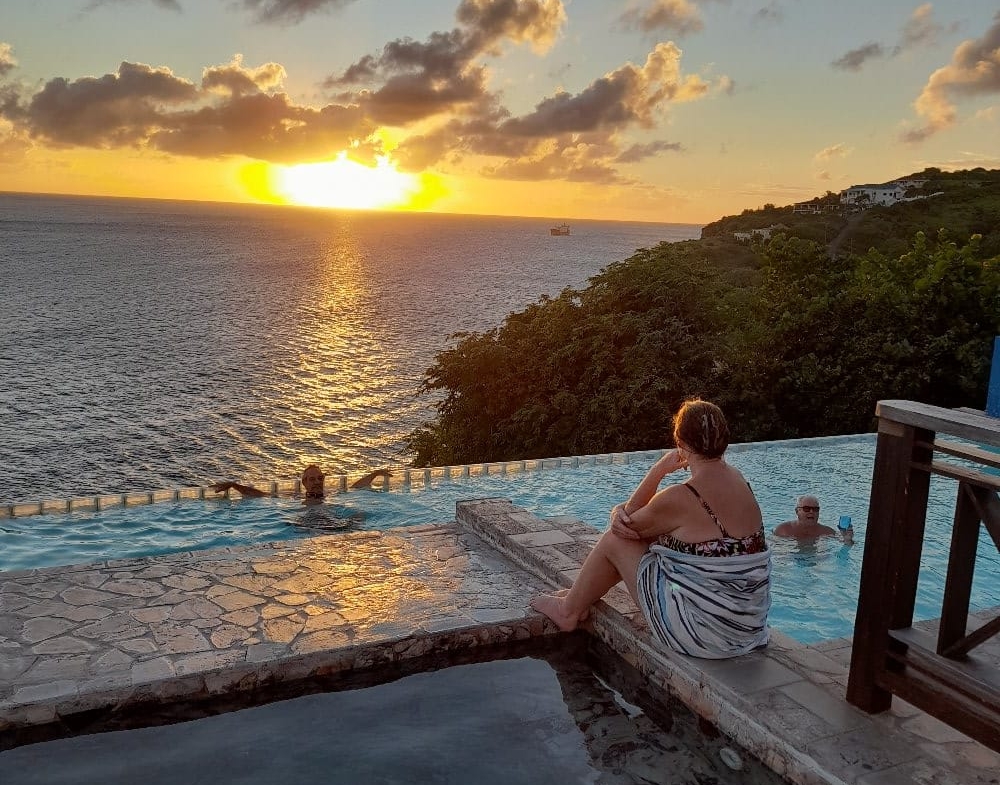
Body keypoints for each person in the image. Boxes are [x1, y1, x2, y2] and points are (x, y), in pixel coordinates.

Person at [531, 399, 771, 659]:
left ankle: (568, 611)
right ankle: (580, 596)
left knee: (615, 541)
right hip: (746, 629)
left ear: (680, 442)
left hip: (703, 635)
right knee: (656, 542)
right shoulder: (739, 480)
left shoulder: (681, 497)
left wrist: (658, 471)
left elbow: (625, 522)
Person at [210, 465, 391, 505]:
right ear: (304, 483)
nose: (317, 482)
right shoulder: (295, 497)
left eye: (320, 478)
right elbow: (260, 495)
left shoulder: (331, 493)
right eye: (312, 479)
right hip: (307, 519)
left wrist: (375, 474)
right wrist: (234, 485)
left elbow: (355, 488)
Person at [774, 495, 853, 543]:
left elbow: (846, 545)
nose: (811, 512)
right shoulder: (783, 530)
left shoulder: (827, 532)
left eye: (815, 509)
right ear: (797, 511)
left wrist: (848, 540)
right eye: (807, 509)